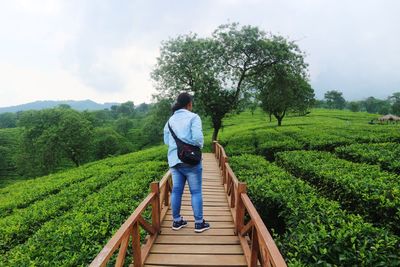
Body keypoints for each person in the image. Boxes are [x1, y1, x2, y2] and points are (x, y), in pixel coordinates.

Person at [163, 92, 210, 233]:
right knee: (195, 191)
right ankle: (199, 223)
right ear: (189, 104)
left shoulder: (170, 121)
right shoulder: (194, 117)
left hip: (174, 160)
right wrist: (195, 149)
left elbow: (166, 141)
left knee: (176, 191)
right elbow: (197, 138)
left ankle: (177, 221)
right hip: (191, 161)